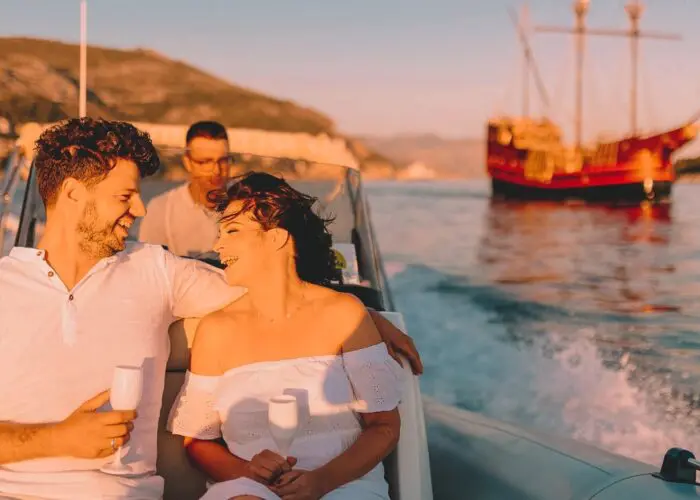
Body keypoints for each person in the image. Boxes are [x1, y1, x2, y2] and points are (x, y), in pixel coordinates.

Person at [0, 118, 422, 500]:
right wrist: (53, 440)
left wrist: (365, 318)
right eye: (126, 195)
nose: (141, 209)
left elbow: (274, 290)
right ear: (73, 194)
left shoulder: (156, 270)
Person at [168, 172, 402, 499]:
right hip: (248, 488)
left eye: (232, 231)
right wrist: (247, 471)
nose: (217, 245)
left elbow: (385, 427)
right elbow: (197, 441)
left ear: (277, 238)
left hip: (344, 484)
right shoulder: (216, 330)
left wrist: (321, 481)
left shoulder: (344, 314)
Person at [138, 120, 231, 257]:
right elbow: (149, 269)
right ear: (187, 162)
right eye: (205, 162)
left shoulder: (247, 205)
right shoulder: (161, 210)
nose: (216, 170)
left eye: (223, 160)